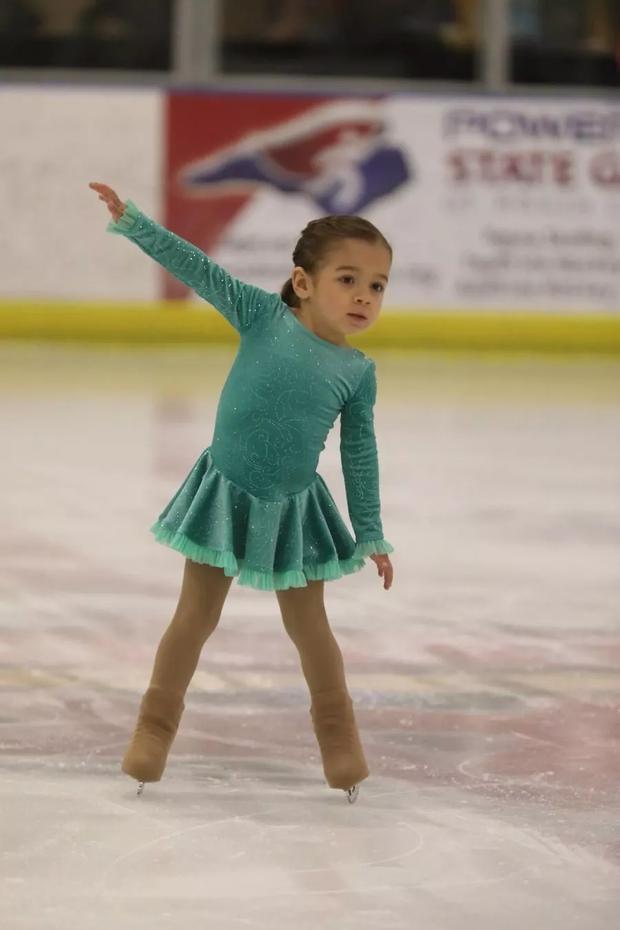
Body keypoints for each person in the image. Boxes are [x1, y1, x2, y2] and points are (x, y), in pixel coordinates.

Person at [89, 181, 395, 804]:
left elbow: (358, 455)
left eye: (378, 284)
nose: (364, 295)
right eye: (348, 279)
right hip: (223, 494)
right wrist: (135, 223)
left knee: (311, 630)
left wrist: (370, 531)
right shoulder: (261, 315)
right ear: (304, 283)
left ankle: (340, 743)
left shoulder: (357, 372)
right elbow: (198, 270)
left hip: (295, 510)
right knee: (195, 617)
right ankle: (153, 731)